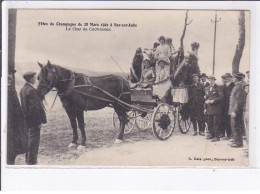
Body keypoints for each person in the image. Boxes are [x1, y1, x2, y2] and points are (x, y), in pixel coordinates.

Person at [20, 71, 47, 165]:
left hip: (27, 120)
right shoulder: (31, 90)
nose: (35, 79)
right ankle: (32, 161)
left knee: (29, 140)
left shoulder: (23, 89)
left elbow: (25, 106)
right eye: (34, 77)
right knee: (34, 141)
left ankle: (28, 160)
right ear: (31, 79)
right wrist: (38, 121)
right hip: (34, 121)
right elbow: (34, 108)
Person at [7, 70, 28, 164]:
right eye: (8, 78)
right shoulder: (9, 91)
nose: (10, 81)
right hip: (11, 124)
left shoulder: (11, 90)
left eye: (11, 79)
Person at [229, 72, 247, 148]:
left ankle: (238, 143)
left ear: (237, 78)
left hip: (236, 111)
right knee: (234, 126)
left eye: (234, 77)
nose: (233, 78)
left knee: (237, 126)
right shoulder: (237, 86)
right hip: (233, 109)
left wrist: (235, 111)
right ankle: (236, 140)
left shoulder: (239, 87)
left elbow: (239, 100)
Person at [205, 75, 224, 142]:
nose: (210, 81)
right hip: (209, 109)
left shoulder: (218, 87)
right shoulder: (207, 88)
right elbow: (206, 98)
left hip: (216, 108)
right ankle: (212, 135)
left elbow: (221, 97)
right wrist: (205, 107)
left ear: (214, 80)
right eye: (209, 80)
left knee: (216, 122)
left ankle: (217, 136)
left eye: (212, 80)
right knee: (210, 122)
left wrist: (214, 101)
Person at [221, 73, 235, 139]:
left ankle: (231, 135)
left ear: (231, 78)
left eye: (229, 77)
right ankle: (227, 134)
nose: (227, 79)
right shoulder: (223, 86)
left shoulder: (233, 86)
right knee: (225, 120)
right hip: (224, 106)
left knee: (231, 121)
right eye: (226, 77)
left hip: (231, 106)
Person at [243, 83, 249, 147]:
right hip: (246, 113)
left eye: (248, 88)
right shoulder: (246, 96)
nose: (247, 89)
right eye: (246, 88)